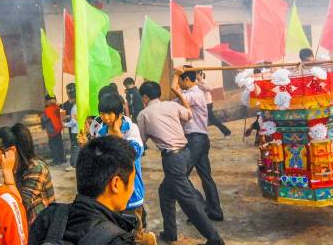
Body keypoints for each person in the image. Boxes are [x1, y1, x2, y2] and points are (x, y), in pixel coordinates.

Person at [138, 81, 224, 245]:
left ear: (145, 97)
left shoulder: (144, 114)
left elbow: (141, 142)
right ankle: (170, 233)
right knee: (165, 192)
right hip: (186, 153)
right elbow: (189, 115)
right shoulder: (171, 105)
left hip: (172, 159)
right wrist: (180, 98)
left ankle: (215, 239)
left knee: (189, 202)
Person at [30, 136, 137, 244]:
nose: (132, 190)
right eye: (133, 182)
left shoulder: (48, 217)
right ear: (116, 184)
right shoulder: (119, 241)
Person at [95, 93, 155, 245]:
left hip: (131, 191)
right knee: (117, 232)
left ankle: (146, 239)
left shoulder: (130, 128)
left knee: (136, 232)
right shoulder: (100, 131)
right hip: (111, 191)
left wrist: (119, 137)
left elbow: (134, 153)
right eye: (102, 113)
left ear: (119, 112)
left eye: (109, 113)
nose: (105, 117)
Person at [174, 67, 224, 221]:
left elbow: (173, 91)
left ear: (186, 80)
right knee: (205, 176)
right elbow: (174, 99)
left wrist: (176, 74)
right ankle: (214, 211)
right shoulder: (191, 94)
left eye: (181, 80)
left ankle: (201, 207)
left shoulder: (194, 95)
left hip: (196, 139)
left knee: (181, 175)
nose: (180, 84)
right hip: (199, 139)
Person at [0, 123, 55, 224]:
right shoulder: (13, 167)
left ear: (11, 151)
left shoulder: (37, 168)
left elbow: (19, 206)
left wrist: (7, 173)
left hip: (41, 226)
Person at [197, 70, 232, 139]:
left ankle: (227, 132)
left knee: (212, 119)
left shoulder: (203, 81)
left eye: (196, 74)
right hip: (203, 103)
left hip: (207, 103)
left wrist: (199, 84)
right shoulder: (198, 82)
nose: (195, 76)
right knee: (203, 119)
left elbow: (210, 88)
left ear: (199, 74)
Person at [41, 94, 66, 165]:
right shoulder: (57, 107)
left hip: (52, 131)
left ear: (47, 101)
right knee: (60, 144)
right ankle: (62, 158)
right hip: (58, 129)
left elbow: (43, 119)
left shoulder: (46, 110)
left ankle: (56, 160)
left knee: (53, 146)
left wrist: (43, 127)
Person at [62, 86, 78, 172]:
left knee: (74, 148)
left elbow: (74, 122)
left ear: (73, 98)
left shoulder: (74, 108)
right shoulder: (77, 106)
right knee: (77, 147)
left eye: (69, 98)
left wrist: (64, 124)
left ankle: (73, 164)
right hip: (78, 130)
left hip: (75, 131)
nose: (68, 100)